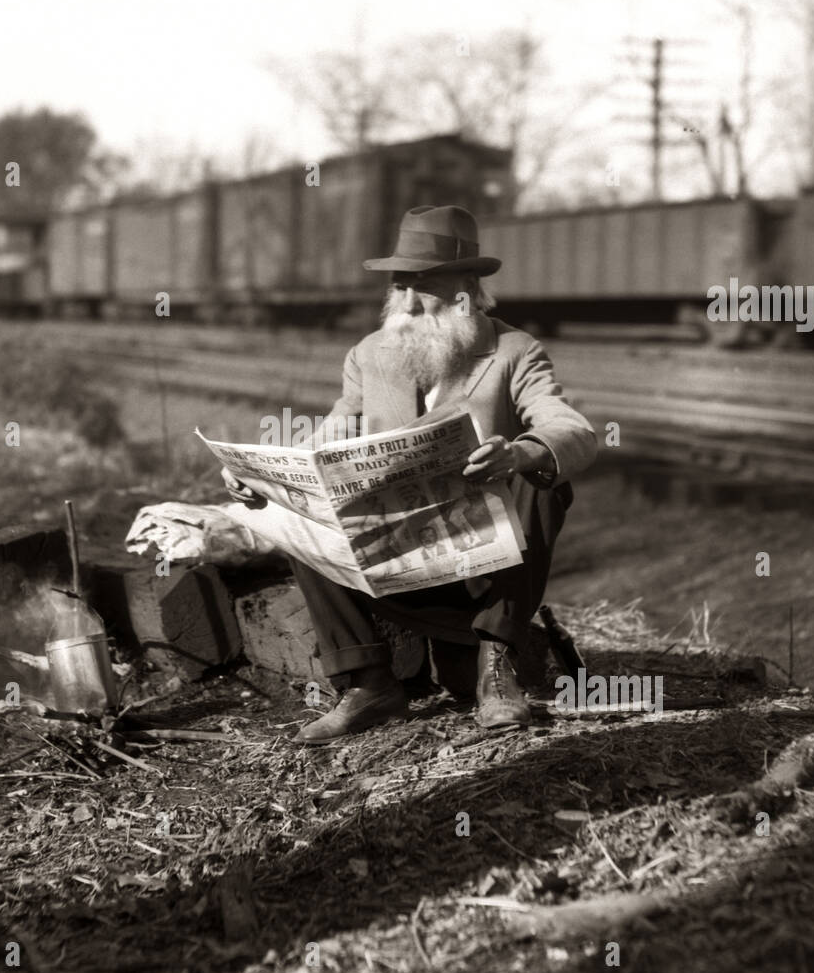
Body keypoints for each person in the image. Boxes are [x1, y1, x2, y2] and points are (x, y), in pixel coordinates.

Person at [223, 204, 598, 744]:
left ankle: (497, 667)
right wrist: (264, 479)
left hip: (484, 574)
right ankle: (367, 683)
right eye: (398, 284)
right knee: (289, 510)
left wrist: (520, 453)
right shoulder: (369, 354)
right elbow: (329, 436)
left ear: (465, 292)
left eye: (420, 286)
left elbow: (571, 429)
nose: (403, 300)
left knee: (544, 483)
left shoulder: (515, 352)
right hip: (394, 563)